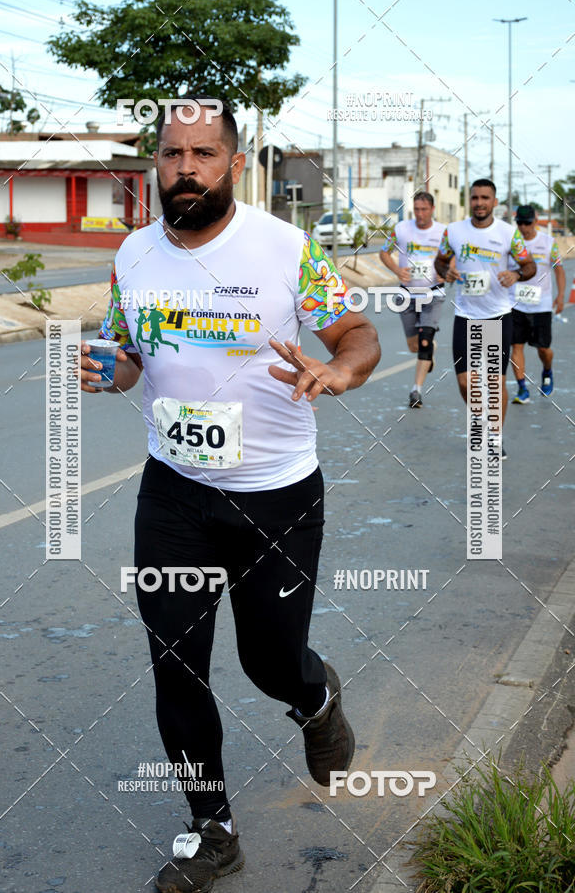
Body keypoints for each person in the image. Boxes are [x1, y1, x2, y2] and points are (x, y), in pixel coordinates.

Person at [79, 97, 380, 893]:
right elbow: (133, 354)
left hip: (275, 495)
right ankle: (212, 830)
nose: (185, 168)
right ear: (158, 161)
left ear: (234, 164)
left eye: (203, 154)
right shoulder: (135, 255)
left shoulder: (286, 250)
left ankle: (314, 698)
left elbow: (357, 335)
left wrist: (339, 370)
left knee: (268, 660)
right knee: (175, 661)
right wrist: (112, 370)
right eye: (172, 153)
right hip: (173, 492)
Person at [434, 179, 536, 459]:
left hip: (497, 315)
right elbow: (440, 261)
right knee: (466, 383)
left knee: (494, 382)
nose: (480, 202)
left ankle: (495, 437)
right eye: (475, 197)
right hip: (465, 315)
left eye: (485, 198)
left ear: (494, 201)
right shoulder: (453, 231)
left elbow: (530, 266)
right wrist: (446, 272)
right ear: (470, 201)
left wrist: (516, 274)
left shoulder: (508, 233)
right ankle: (479, 421)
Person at [379, 192, 447, 408]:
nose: (420, 214)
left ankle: (415, 390)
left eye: (424, 209)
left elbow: (452, 257)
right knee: (413, 346)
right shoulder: (401, 229)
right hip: (407, 293)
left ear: (432, 209)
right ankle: (428, 350)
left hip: (433, 292)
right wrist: (397, 270)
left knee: (424, 340)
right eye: (416, 209)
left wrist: (445, 271)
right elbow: (384, 252)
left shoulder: (443, 232)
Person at [509, 205, 565, 402]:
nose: (524, 227)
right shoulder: (511, 242)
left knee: (543, 349)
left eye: (528, 223)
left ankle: (547, 371)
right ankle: (522, 388)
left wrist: (560, 296)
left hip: (541, 304)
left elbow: (559, 270)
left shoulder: (549, 242)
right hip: (515, 303)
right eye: (520, 223)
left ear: (535, 220)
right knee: (516, 346)